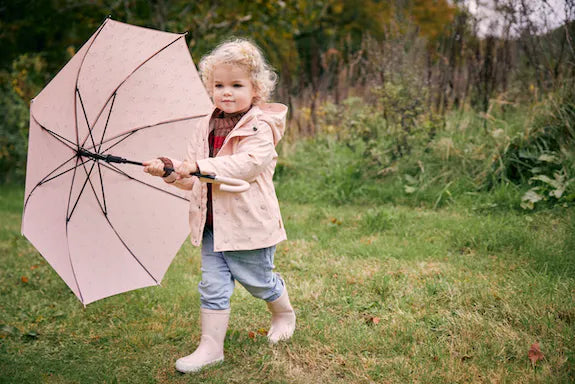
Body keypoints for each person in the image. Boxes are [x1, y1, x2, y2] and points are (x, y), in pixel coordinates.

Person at [143, 38, 295, 374]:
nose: (226, 92)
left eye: (236, 85)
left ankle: (282, 311)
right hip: (211, 223)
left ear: (256, 90)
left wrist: (197, 166)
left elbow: (248, 164)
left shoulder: (260, 126)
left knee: (258, 281)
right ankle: (211, 348)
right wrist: (169, 169)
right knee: (212, 285)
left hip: (248, 223)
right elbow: (191, 176)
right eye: (218, 85)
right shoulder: (204, 125)